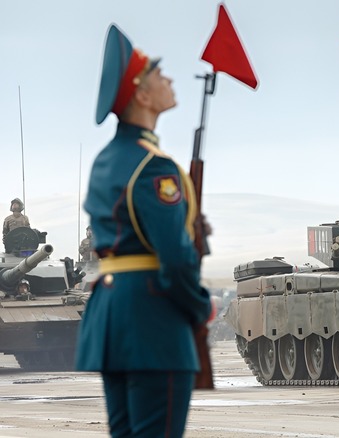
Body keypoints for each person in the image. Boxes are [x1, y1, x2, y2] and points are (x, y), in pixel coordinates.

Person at [75, 24, 211, 438]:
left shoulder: (105, 161)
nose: (169, 78)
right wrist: (201, 306)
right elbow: (174, 258)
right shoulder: (155, 167)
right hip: (154, 324)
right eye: (157, 72)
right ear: (142, 95)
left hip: (113, 321)